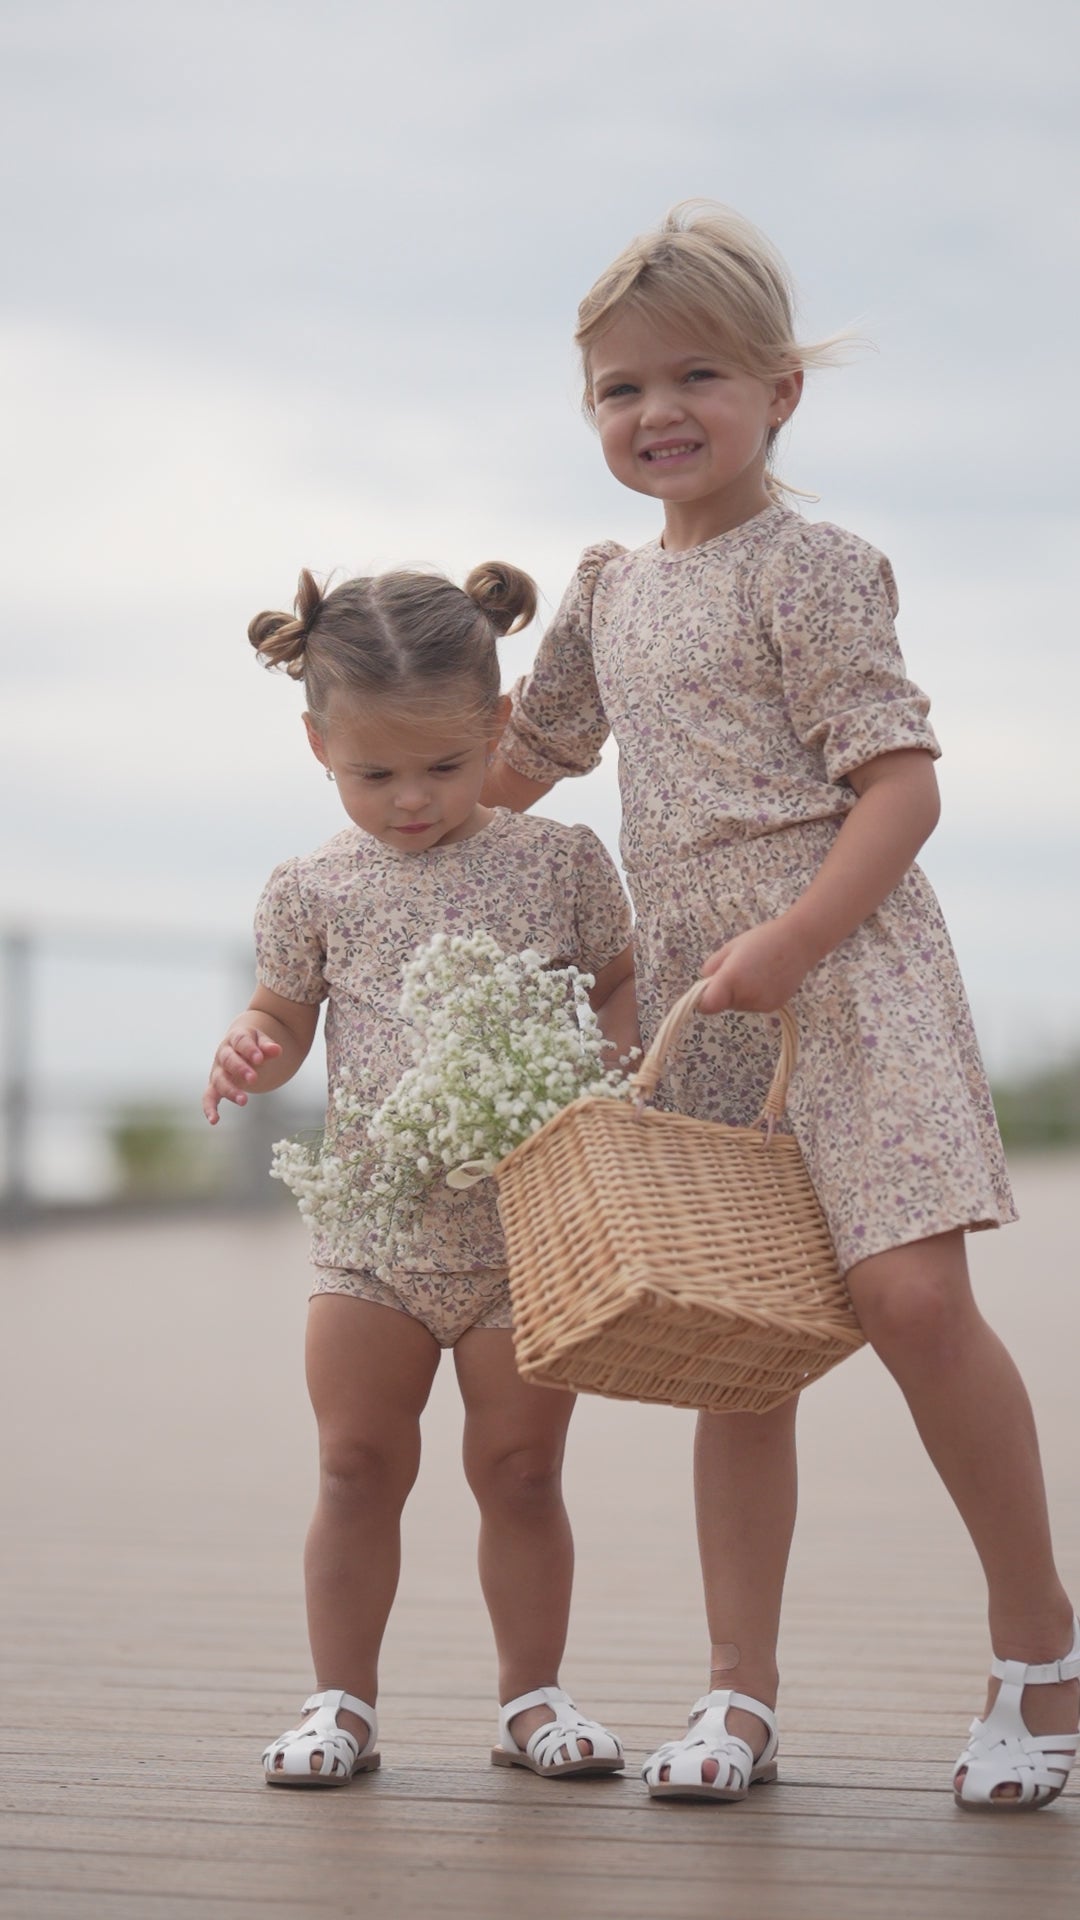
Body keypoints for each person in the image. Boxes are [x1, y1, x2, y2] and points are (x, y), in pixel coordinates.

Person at [484, 202, 1078, 1809]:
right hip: (698, 997)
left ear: (778, 396)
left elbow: (901, 787)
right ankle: (737, 1693)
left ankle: (1041, 1647)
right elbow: (516, 773)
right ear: (588, 410)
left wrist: (803, 940)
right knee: (731, 1341)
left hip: (845, 965)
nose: (657, 412)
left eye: (699, 376)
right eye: (619, 389)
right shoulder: (606, 591)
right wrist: (372, 715)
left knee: (911, 1302)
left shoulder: (812, 568)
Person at [203, 559, 638, 1787]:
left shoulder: (558, 861)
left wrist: (598, 1059)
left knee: (521, 1470)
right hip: (374, 1237)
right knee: (354, 1464)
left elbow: (618, 980)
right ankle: (341, 1701)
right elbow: (283, 1017)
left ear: (497, 726)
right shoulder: (311, 887)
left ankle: (532, 1699)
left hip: (525, 1237)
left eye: (443, 770)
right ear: (316, 746)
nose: (409, 802)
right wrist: (253, 1047)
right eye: (373, 775)